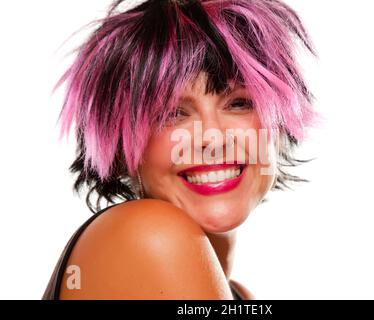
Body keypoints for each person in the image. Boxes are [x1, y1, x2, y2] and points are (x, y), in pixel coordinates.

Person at [42, 0, 319, 300]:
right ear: (120, 147)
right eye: (172, 114)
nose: (212, 138)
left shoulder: (239, 295)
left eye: (238, 103)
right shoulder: (151, 237)